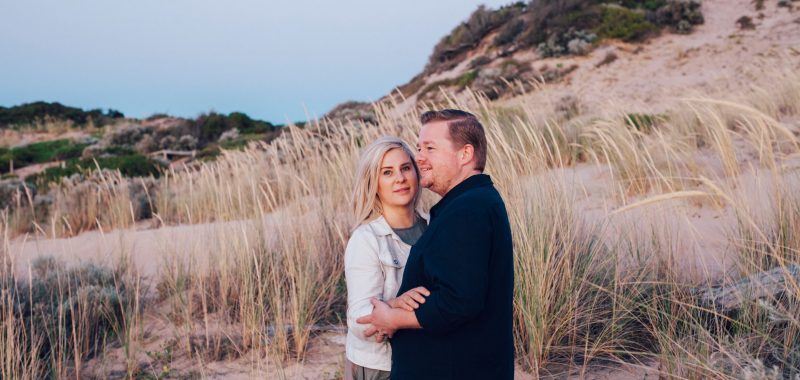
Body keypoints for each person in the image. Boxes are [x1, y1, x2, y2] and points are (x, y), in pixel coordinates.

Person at [357, 110, 514, 379]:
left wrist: (393, 318)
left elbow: (460, 301)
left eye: (430, 148)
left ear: (465, 154)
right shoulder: (467, 204)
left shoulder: (468, 209)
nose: (419, 158)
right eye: (419, 148)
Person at [345, 136, 432, 380]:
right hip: (383, 365)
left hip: (429, 357)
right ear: (374, 183)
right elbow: (358, 320)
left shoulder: (436, 226)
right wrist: (395, 305)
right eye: (387, 172)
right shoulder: (366, 239)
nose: (400, 178)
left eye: (406, 168)